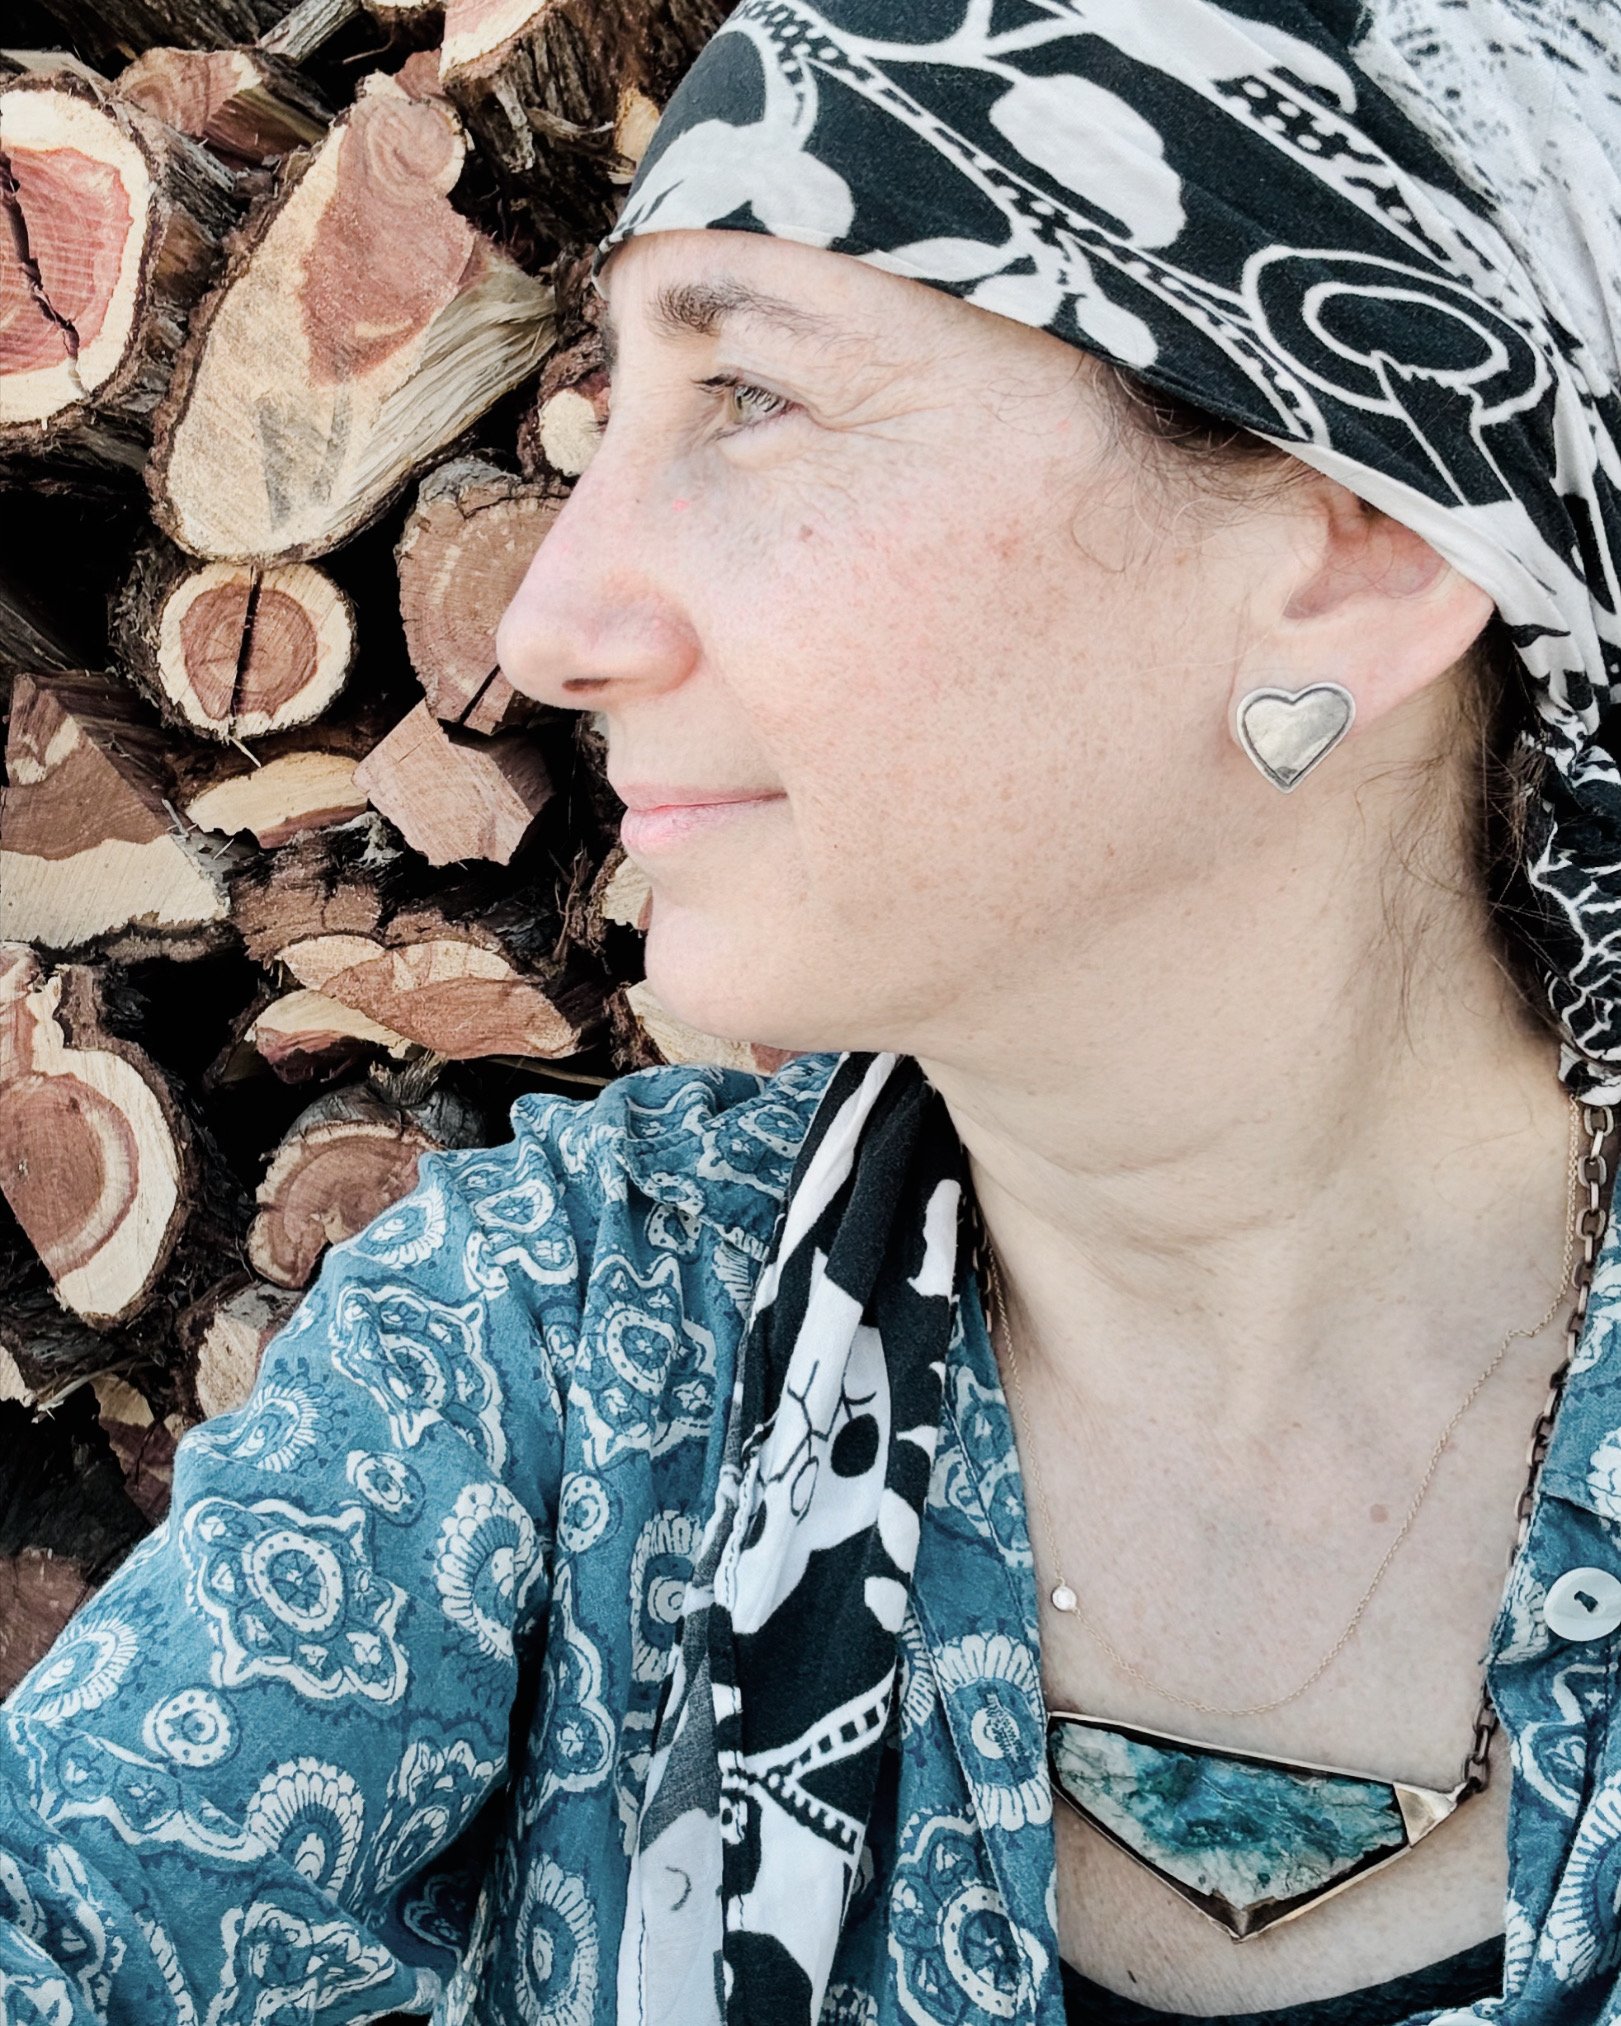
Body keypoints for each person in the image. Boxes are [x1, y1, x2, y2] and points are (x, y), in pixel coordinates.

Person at [5, 1, 1621, 2022]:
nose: (545, 624)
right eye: (615, 423)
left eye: (750, 394)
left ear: (1351, 559)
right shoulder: (555, 1342)